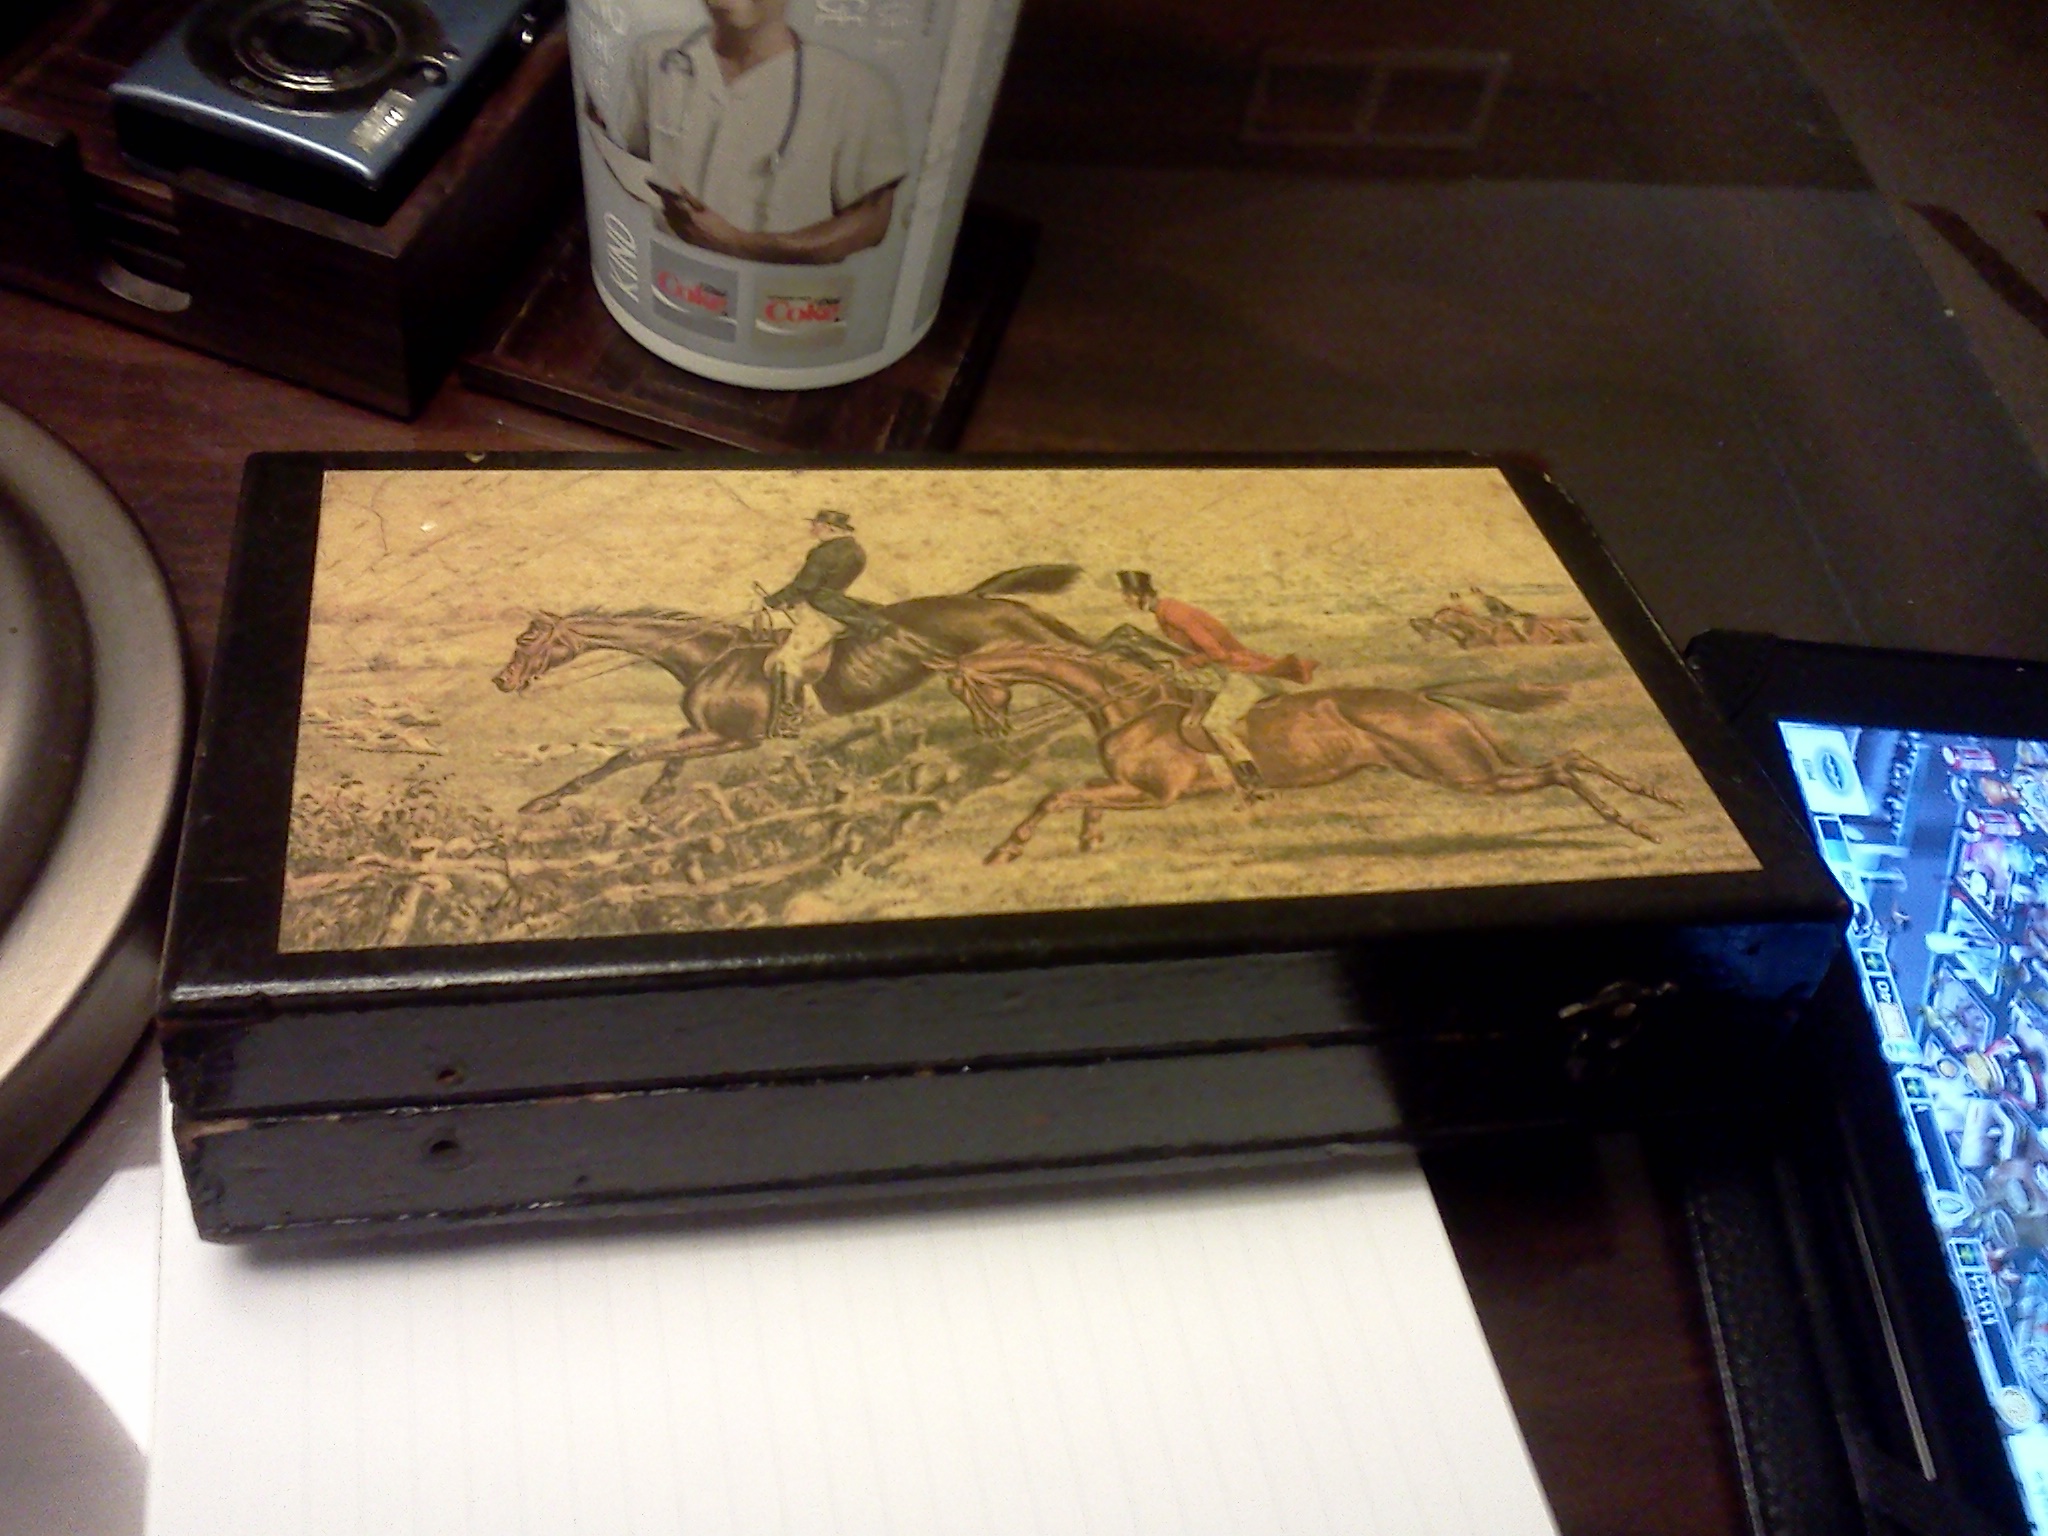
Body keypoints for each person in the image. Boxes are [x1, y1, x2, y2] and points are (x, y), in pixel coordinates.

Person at [586, 0, 909, 265]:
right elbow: (637, 165)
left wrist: (737, 243)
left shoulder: (855, 89)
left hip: (783, 302)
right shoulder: (655, 58)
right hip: (669, 275)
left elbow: (871, 223)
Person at [1116, 570, 1318, 802]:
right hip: (1226, 671)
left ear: (1141, 595)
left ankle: (1255, 783)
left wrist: (1184, 664)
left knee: (1214, 723)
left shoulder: (1174, 614)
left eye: (1127, 595)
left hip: (1242, 672)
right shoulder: (1164, 612)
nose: (1125, 600)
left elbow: (1216, 652)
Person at [760, 509, 888, 736]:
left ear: (829, 528)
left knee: (786, 659)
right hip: (839, 606)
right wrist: (789, 601)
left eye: (816, 525)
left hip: (820, 611)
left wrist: (772, 601)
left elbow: (805, 586)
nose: (812, 529)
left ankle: (789, 721)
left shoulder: (824, 552)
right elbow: (823, 586)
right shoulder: (856, 550)